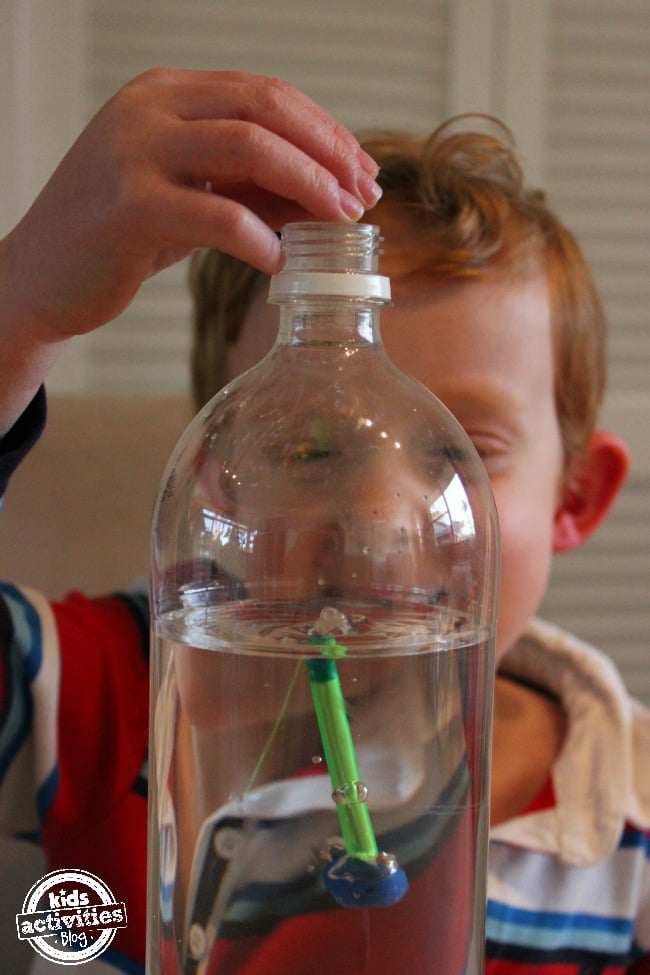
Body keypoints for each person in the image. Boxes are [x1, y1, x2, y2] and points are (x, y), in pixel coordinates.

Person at [0, 70, 647, 973]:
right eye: (307, 451)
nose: (377, 514)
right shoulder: (106, 694)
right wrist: (17, 310)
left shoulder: (633, 824)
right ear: (215, 470)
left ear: (577, 496)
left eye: (461, 450)